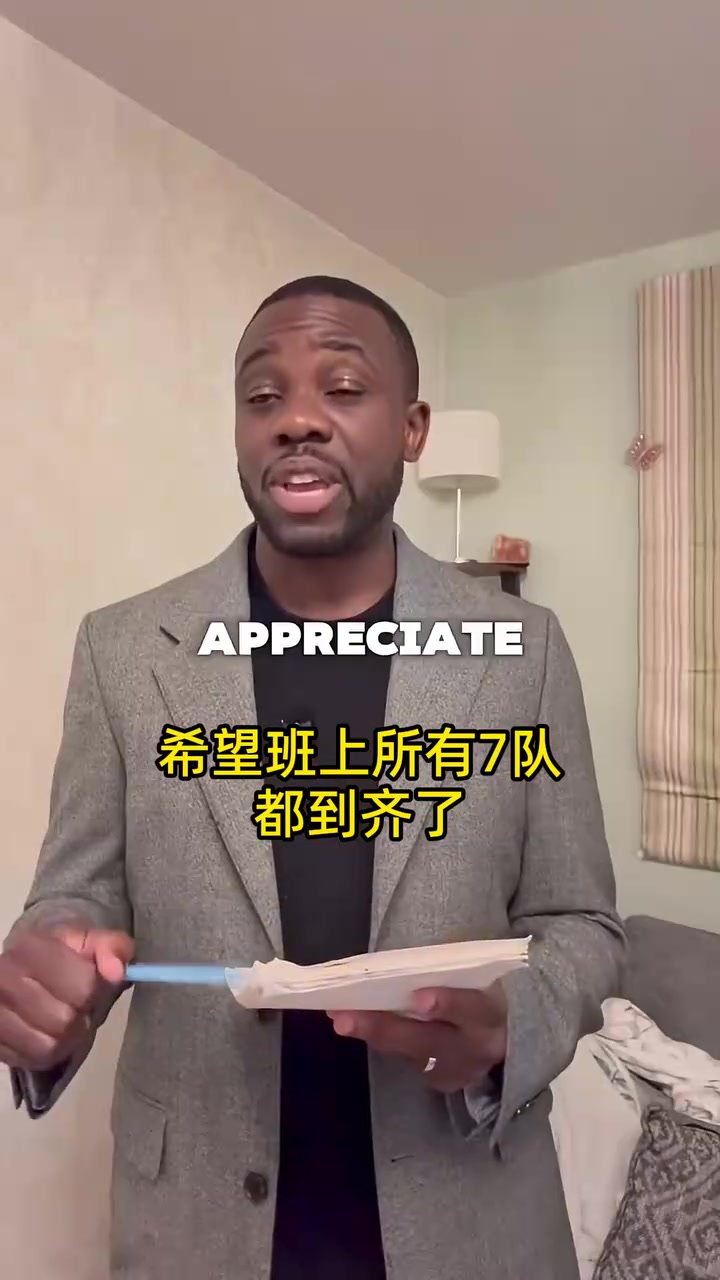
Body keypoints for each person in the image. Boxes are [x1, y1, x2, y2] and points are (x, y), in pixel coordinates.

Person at [1, 276, 625, 1280]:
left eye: (342, 387)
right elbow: (76, 896)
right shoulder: (124, 651)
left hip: (467, 1218)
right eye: (263, 396)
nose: (296, 418)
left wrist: (513, 1028)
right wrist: (46, 972)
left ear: (412, 429)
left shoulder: (524, 649)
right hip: (199, 1226)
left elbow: (581, 922)